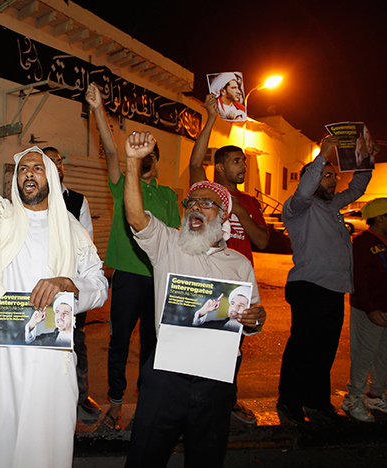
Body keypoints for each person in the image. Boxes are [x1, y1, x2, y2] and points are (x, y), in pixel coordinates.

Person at [0, 37, 108, 468]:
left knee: (40, 444)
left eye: (38, 167)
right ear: (15, 179)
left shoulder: (73, 230)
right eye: (23, 169)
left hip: (48, 357)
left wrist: (66, 284)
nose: (30, 174)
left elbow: (99, 285)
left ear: (53, 179)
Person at [121, 131, 266, 467]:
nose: (195, 208)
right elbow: (135, 217)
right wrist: (131, 162)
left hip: (216, 380)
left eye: (206, 203)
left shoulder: (240, 265)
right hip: (165, 376)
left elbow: (256, 319)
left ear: (224, 216)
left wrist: (255, 318)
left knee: (206, 458)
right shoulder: (169, 244)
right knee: (145, 457)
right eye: (190, 203)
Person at [85, 82, 181, 430]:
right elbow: (112, 153)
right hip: (126, 276)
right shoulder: (124, 183)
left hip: (158, 280)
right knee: (119, 343)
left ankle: (148, 403)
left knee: (153, 346)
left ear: (155, 159)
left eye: (151, 155)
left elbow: (174, 240)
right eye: (142, 155)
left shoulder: (169, 196)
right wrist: (98, 109)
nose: (147, 160)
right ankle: (115, 403)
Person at [277, 135, 372, 426]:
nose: (334, 181)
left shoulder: (332, 207)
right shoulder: (298, 207)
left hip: (333, 290)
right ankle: (289, 403)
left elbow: (357, 187)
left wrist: (365, 158)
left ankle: (316, 402)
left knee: (324, 352)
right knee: (302, 350)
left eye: (334, 175)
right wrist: (323, 154)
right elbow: (304, 191)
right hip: (309, 287)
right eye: (327, 176)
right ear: (313, 177)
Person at [190, 93, 269, 424]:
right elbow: (195, 163)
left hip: (237, 279)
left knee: (232, 346)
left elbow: (263, 241)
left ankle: (226, 402)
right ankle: (192, 403)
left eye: (244, 161)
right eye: (237, 161)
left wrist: (238, 209)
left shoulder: (249, 202)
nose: (244, 165)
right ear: (220, 167)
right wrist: (210, 118)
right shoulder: (206, 192)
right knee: (198, 339)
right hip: (206, 274)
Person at [41, 146, 101, 415]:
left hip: (69, 285)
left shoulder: (77, 201)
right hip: (38, 285)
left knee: (75, 339)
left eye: (59, 160)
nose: (57, 165)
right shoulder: (30, 199)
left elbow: (86, 243)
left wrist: (71, 281)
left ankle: (81, 396)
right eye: (50, 161)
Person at [342, 198, 387, 422]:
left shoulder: (385, 241)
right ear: (379, 217)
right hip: (369, 311)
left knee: (384, 356)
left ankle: (375, 395)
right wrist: (370, 309)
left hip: (384, 309)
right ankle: (353, 398)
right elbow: (358, 280)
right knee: (363, 356)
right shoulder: (362, 243)